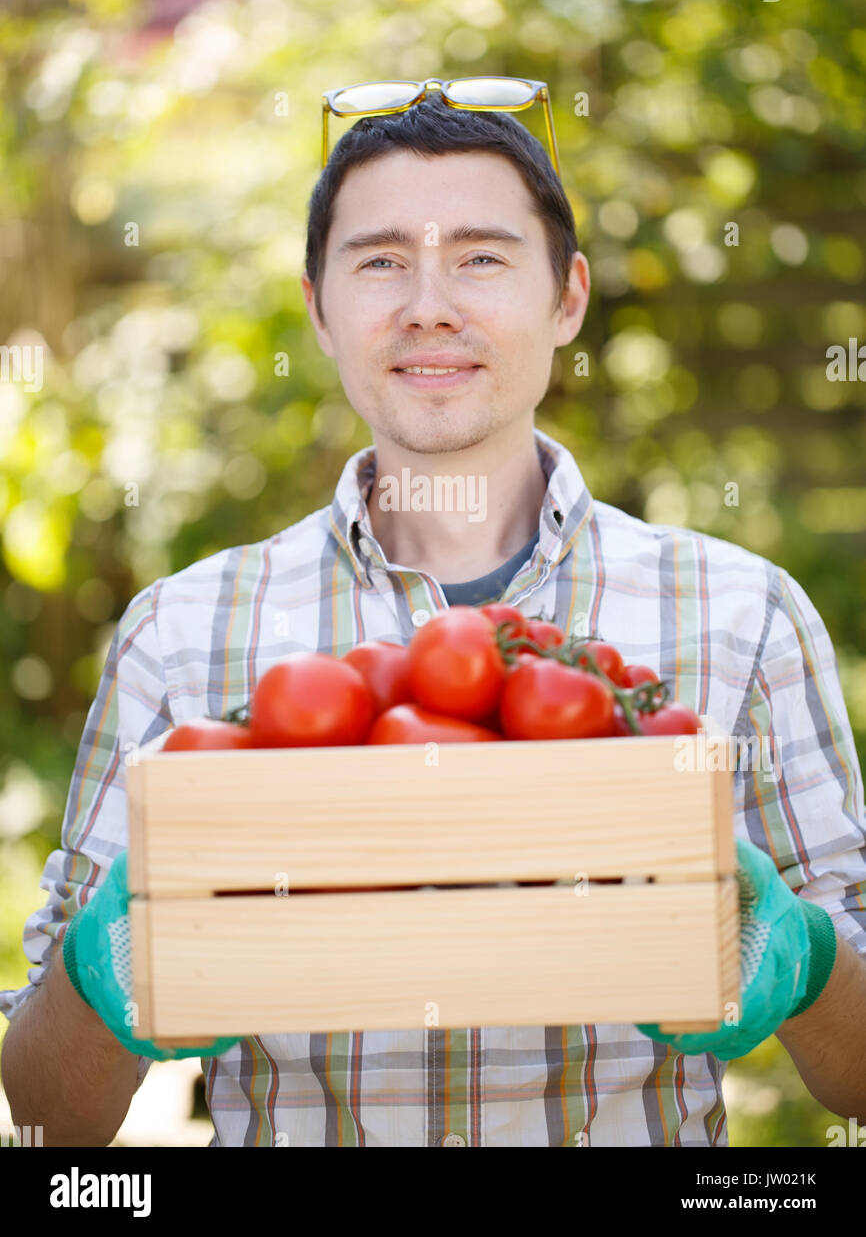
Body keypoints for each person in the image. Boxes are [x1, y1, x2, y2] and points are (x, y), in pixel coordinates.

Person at [2, 88, 866, 1147]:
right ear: (318, 308)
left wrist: (806, 961)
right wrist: (106, 974)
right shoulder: (179, 637)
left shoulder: (741, 617)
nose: (427, 305)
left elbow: (856, 1080)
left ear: (566, 299)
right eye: (377, 261)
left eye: (480, 257)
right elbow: (49, 1119)